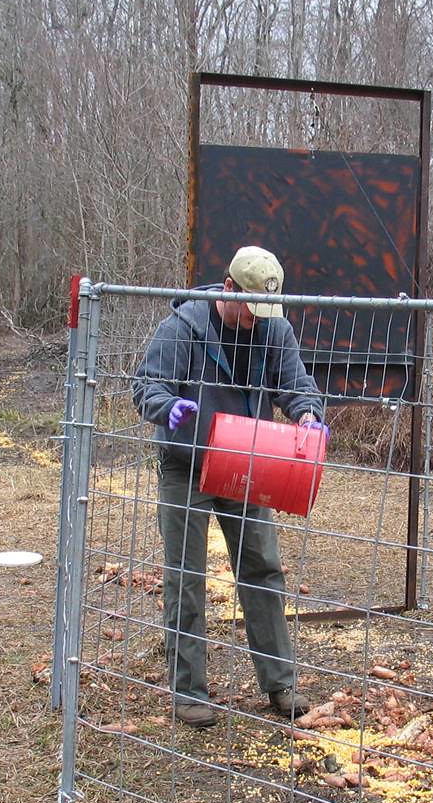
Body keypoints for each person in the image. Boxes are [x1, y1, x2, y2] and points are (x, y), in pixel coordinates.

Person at [131, 246, 327, 728]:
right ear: (228, 289)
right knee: (186, 574)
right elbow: (147, 386)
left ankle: (281, 683)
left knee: (262, 568)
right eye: (250, 308)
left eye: (267, 311)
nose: (257, 319)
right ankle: (189, 691)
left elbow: (296, 385)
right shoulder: (184, 326)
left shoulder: (273, 328)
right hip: (188, 465)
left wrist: (308, 414)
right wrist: (167, 408)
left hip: (245, 463)